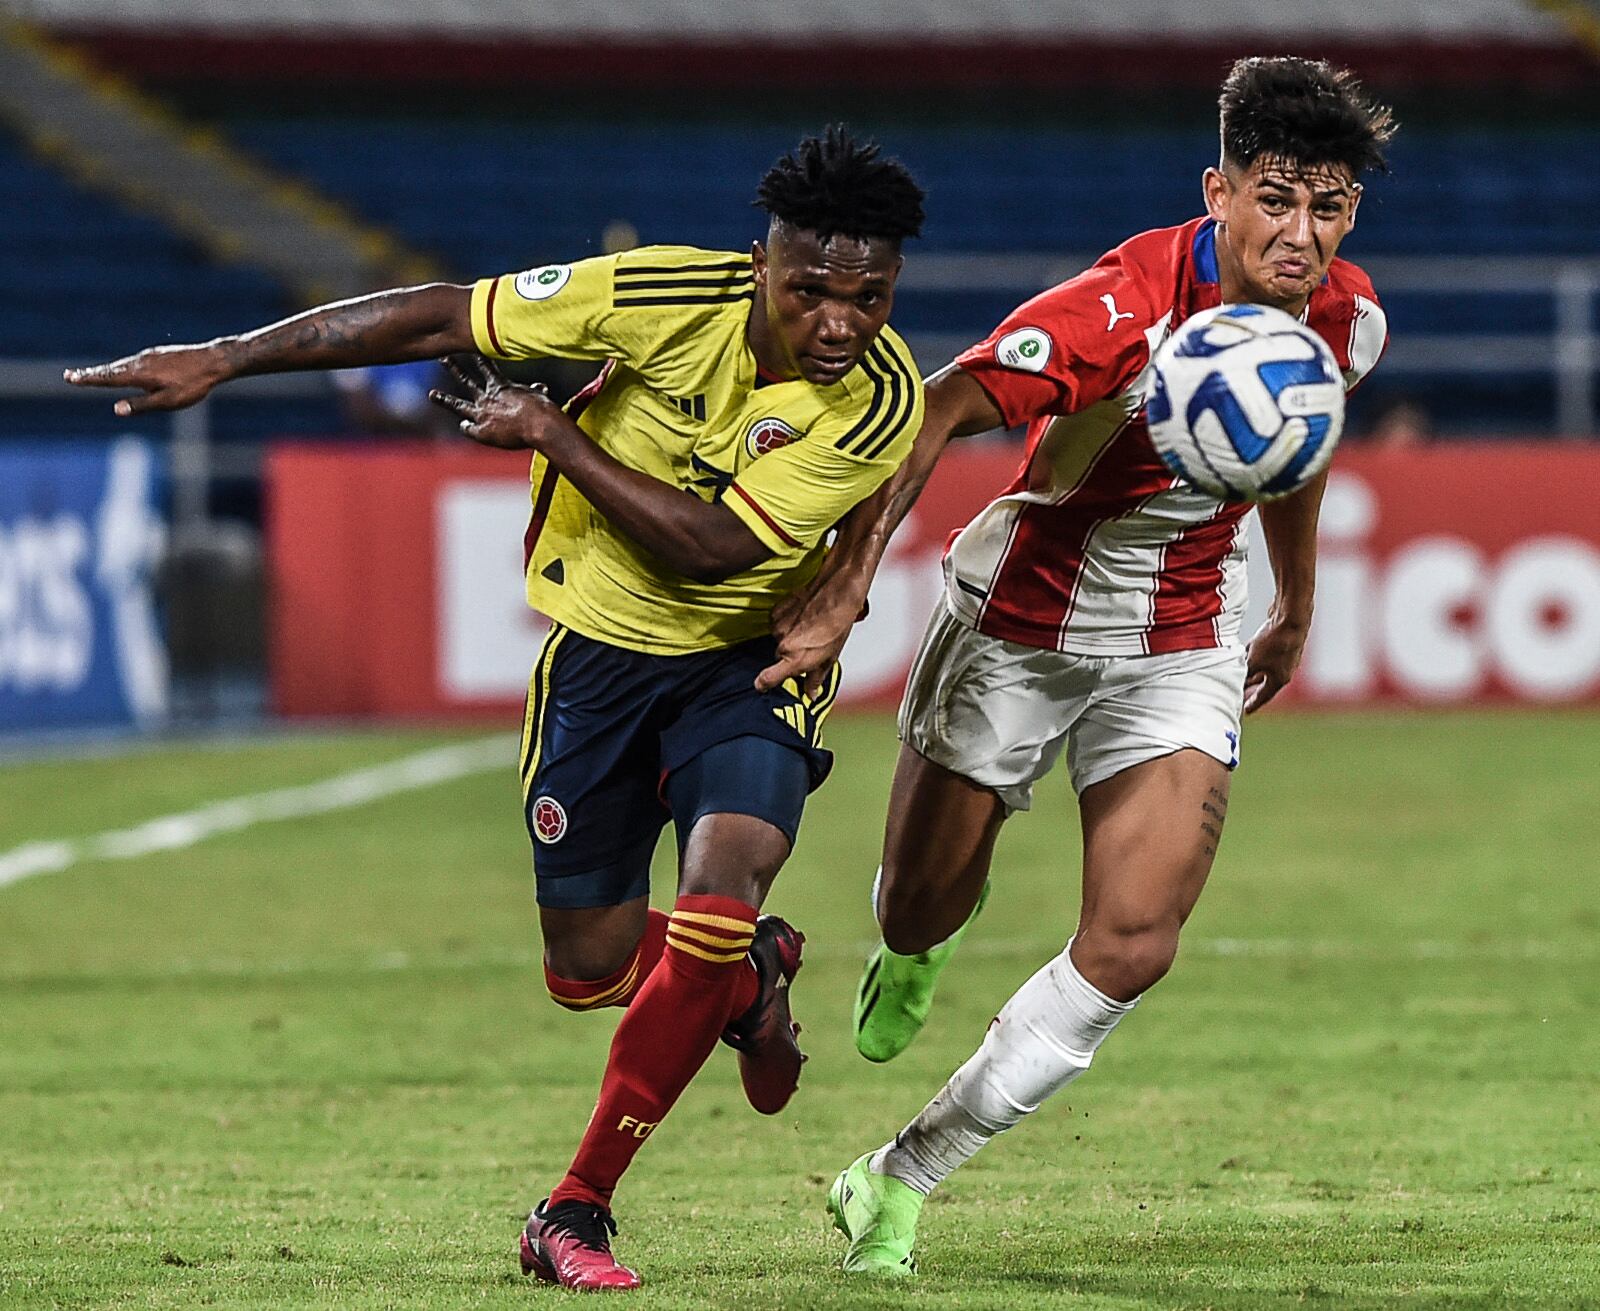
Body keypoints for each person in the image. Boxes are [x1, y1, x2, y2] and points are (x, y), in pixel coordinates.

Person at [65, 124, 927, 1290]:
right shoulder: (663, 293)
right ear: (758, 263)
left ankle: (574, 1210)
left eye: (867, 297)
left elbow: (714, 552)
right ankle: (743, 979)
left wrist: (551, 432)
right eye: (810, 289)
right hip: (599, 665)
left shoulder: (877, 401)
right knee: (588, 969)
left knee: (721, 892)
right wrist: (226, 355)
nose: (838, 322)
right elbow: (440, 314)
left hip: (745, 663)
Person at [756, 58, 1396, 1275]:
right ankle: (916, 942)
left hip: (1186, 641)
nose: (1298, 233)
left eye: (1325, 206)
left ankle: (900, 1176)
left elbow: (1295, 455)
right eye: (1273, 199)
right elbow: (940, 404)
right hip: (1022, 627)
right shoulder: (1122, 307)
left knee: (1135, 937)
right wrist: (846, 582)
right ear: (1218, 191)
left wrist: (1295, 605)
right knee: (919, 898)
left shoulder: (1345, 323)